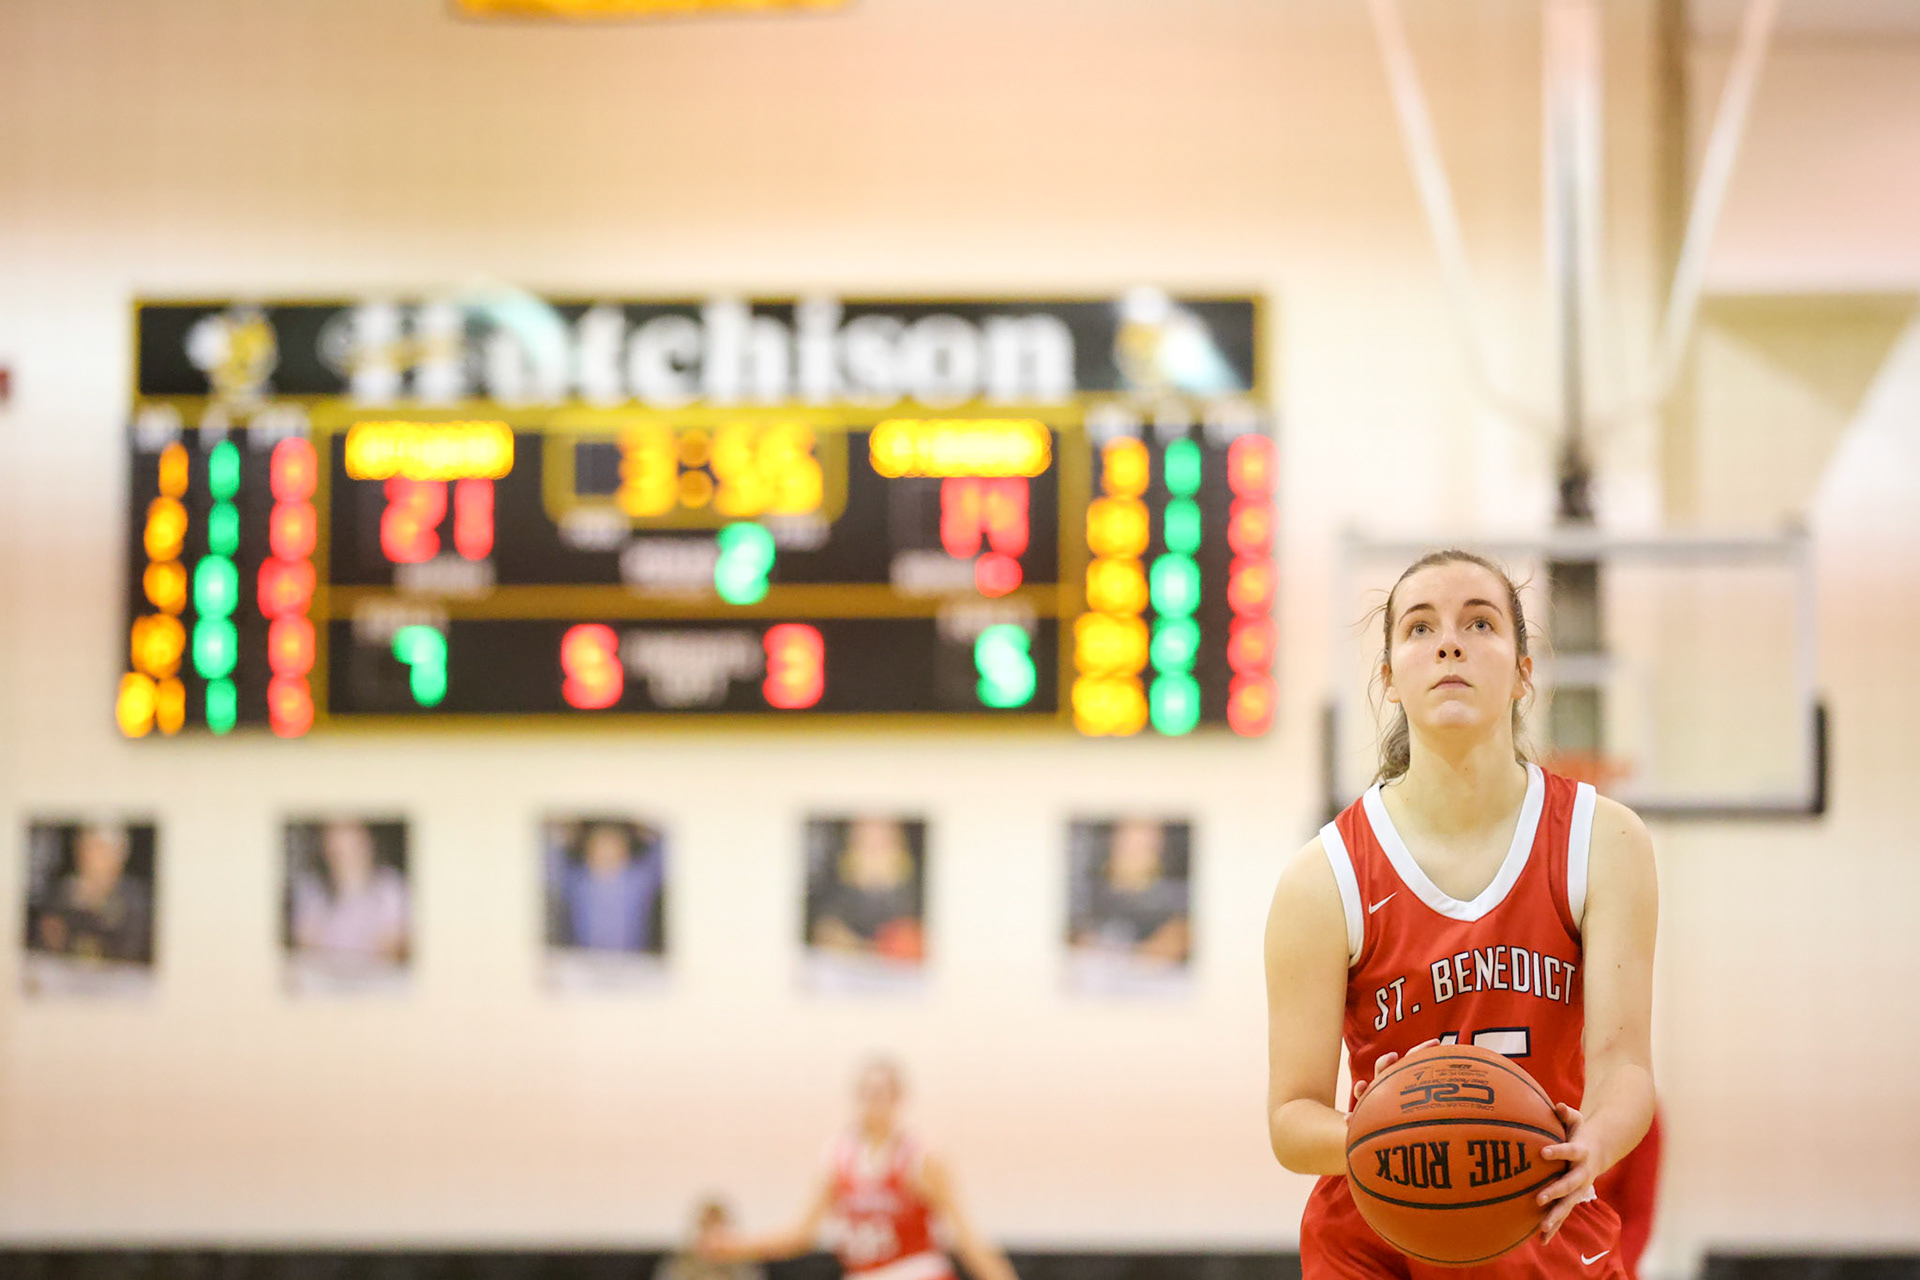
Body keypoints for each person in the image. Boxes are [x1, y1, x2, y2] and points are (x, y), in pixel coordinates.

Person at [1264, 549, 1658, 1277]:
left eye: (1479, 623)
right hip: (1372, 1245)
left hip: (1545, 1218)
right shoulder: (1325, 877)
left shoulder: (1604, 840)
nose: (1449, 642)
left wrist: (1592, 1143)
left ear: (1523, 670)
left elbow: (1625, 1068)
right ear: (1389, 676)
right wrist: (1391, 1132)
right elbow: (1291, 1119)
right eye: (1419, 628)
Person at [702, 1059, 1017, 1280]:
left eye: (882, 1095)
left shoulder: (921, 1158)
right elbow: (801, 1234)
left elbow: (967, 1238)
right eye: (867, 1094)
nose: (874, 1103)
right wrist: (739, 1246)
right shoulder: (837, 1157)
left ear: (898, 1100)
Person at [289, 819, 409, 965]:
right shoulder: (310, 888)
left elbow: (392, 950)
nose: (343, 847)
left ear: (367, 841)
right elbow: (306, 949)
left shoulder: (391, 886)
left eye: (352, 842)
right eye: (334, 840)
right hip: (323, 981)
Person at [34, 824, 152, 965]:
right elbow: (47, 941)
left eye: (99, 849)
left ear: (119, 855)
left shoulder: (135, 897)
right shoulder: (63, 892)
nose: (89, 857)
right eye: (84, 849)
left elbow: (131, 952)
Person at [809, 819, 924, 962]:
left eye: (883, 843)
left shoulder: (917, 890)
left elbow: (913, 942)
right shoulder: (838, 884)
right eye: (863, 842)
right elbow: (825, 932)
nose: (873, 850)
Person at [559, 821, 665, 954]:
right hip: (585, 962)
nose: (606, 854)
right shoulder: (576, 881)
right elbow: (548, 863)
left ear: (625, 853)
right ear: (588, 853)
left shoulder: (639, 880)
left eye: (614, 847)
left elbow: (664, 856)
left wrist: (650, 834)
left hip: (631, 962)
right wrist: (562, 835)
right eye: (599, 847)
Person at [655, 1198, 764, 1280]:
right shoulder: (681, 1260)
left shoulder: (742, 1262)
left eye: (718, 1229)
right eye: (707, 1228)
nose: (713, 1239)